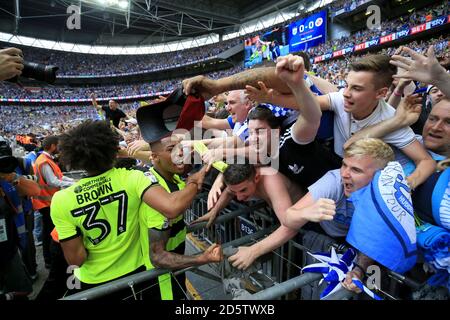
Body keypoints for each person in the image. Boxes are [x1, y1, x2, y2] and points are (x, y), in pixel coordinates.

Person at [50, 120, 215, 298]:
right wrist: (192, 182)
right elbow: (171, 206)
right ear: (112, 149)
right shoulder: (133, 178)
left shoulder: (61, 200)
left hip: (94, 282)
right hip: (137, 275)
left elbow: (76, 260)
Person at [283, 138, 396, 293]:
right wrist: (305, 212)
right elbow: (288, 217)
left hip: (365, 245)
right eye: (344, 165)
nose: (345, 174)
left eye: (356, 170)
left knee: (369, 288)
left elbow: (373, 242)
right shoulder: (334, 180)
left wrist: (359, 270)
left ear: (379, 177)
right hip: (331, 236)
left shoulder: (390, 196)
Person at [139, 134, 223, 300]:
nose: (179, 153)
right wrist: (201, 258)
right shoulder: (157, 195)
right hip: (161, 279)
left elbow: (193, 178)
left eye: (181, 148)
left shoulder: (175, 179)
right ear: (154, 157)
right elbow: (158, 257)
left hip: (174, 270)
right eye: (171, 149)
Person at [194, 163, 302, 270]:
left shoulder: (271, 181)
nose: (239, 198)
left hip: (307, 224)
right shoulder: (247, 178)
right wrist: (215, 210)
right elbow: (228, 191)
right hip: (284, 217)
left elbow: (290, 226)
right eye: (235, 192)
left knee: (296, 264)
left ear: (256, 178)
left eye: (243, 190)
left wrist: (253, 251)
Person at [32, 135, 74, 269]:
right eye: (58, 145)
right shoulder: (43, 161)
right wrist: (73, 185)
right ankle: (49, 259)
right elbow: (53, 181)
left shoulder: (45, 159)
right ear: (52, 146)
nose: (59, 148)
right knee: (49, 232)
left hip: (48, 201)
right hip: (46, 202)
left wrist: (73, 181)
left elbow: (59, 176)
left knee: (48, 231)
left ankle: (49, 258)